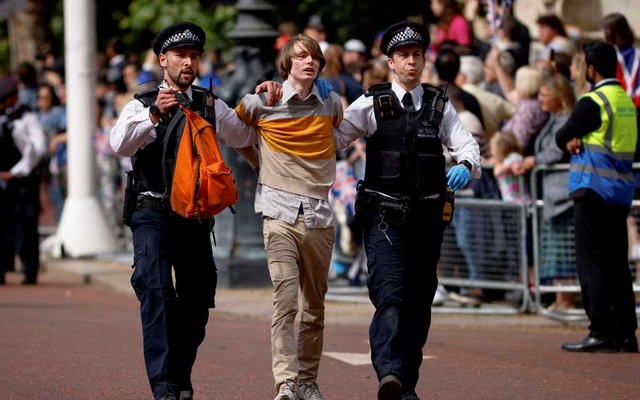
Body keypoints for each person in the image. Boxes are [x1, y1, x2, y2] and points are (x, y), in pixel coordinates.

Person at [109, 22, 279, 400]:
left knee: (199, 298)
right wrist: (153, 113)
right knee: (156, 293)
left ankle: (179, 374)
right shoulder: (141, 103)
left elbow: (246, 134)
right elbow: (118, 144)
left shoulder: (209, 103)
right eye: (180, 56)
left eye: (194, 56)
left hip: (195, 218)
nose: (188, 62)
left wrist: (265, 99)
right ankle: (166, 390)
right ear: (163, 60)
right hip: (152, 212)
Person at [333, 21, 481, 400]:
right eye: (404, 56)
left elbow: (468, 146)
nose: (411, 62)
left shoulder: (439, 105)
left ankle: (406, 384)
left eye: (417, 55)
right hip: (384, 217)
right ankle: (390, 374)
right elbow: (333, 137)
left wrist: (465, 164)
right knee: (391, 293)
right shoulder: (371, 103)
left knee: (419, 299)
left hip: (428, 218)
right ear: (390, 62)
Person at [234, 34, 343, 400]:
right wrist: (258, 162)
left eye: (313, 57)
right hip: (279, 213)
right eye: (300, 57)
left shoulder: (331, 101)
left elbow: (346, 128)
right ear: (287, 64)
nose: (308, 62)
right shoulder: (263, 101)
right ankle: (286, 383)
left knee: (314, 306)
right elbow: (234, 131)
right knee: (285, 300)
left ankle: (309, 381)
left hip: (318, 216)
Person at [556, 40, 638, 353]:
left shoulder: (592, 101)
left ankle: (600, 330)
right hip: (619, 192)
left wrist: (573, 141)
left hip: (592, 189)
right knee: (618, 264)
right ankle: (625, 333)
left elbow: (561, 136)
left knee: (592, 264)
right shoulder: (626, 102)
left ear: (591, 69)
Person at [513, 75, 577, 311]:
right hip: (552, 196)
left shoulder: (564, 121)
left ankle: (566, 299)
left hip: (562, 196)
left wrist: (532, 161)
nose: (539, 99)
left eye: (544, 95)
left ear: (558, 97)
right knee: (555, 251)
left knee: (563, 250)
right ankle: (561, 299)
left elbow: (554, 152)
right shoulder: (553, 120)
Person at [0, 76, 47, 285]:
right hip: (2, 180)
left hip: (23, 180)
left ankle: (29, 271)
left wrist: (16, 172)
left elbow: (38, 149)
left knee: (27, 226)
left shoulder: (27, 117)